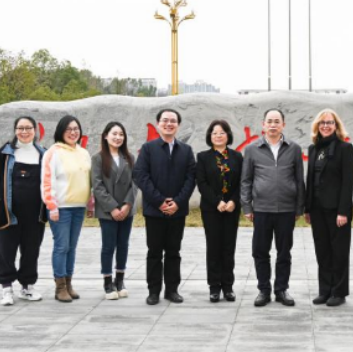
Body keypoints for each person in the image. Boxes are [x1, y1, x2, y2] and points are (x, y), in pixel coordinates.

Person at [240, 108, 305, 307]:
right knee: (260, 251)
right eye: (270, 121)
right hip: (261, 209)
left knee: (284, 252)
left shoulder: (294, 148)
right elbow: (246, 180)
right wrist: (247, 207)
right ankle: (264, 290)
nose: (273, 125)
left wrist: (299, 208)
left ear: (283, 125)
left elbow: (299, 180)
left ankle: (281, 289)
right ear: (263, 124)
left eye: (277, 121)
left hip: (286, 209)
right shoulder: (252, 149)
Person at [133, 108, 196, 305]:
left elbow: (191, 179)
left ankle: (172, 290)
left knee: (173, 252)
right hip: (154, 211)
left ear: (178, 125)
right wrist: (160, 201)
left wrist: (177, 202)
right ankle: (153, 291)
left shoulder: (186, 150)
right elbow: (141, 176)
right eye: (165, 120)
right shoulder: (148, 148)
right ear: (158, 124)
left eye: (173, 121)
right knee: (154, 253)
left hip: (177, 211)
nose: (169, 124)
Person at [0, 116, 47, 306]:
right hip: (8, 214)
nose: (24, 132)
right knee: (4, 250)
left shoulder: (43, 154)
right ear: (15, 130)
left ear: (35, 130)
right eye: (20, 128)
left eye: (28, 128)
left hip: (35, 215)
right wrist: (0, 198)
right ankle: (6, 288)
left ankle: (27, 287)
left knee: (31, 250)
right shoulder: (4, 153)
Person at [305, 109, 353, 307]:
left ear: (336, 126)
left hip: (337, 210)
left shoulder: (345, 148)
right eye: (322, 123)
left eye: (330, 122)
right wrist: (307, 208)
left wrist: (343, 211)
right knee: (322, 251)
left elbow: (347, 182)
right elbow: (310, 180)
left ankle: (339, 292)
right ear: (317, 126)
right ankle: (325, 290)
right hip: (317, 209)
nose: (326, 126)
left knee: (339, 252)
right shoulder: (313, 149)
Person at [41, 115, 93, 303]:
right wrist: (51, 205)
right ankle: (60, 287)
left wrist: (90, 202)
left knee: (71, 247)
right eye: (69, 129)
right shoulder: (53, 152)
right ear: (61, 131)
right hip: (61, 208)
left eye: (76, 129)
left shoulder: (83, 152)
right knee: (62, 246)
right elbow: (47, 181)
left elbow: (88, 179)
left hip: (78, 207)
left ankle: (69, 283)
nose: (73, 132)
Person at [196, 120, 243, 303]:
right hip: (211, 209)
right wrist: (217, 201)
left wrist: (233, 201)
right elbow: (202, 183)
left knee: (229, 247)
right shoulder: (203, 157)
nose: (218, 136)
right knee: (214, 247)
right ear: (210, 136)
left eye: (222, 132)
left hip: (231, 209)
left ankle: (228, 286)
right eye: (214, 133)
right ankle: (214, 287)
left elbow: (242, 182)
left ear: (228, 135)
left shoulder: (237, 156)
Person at [92, 121, 136, 301]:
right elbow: (97, 185)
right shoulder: (98, 158)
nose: (118, 137)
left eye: (121, 134)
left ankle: (120, 280)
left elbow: (135, 183)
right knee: (108, 246)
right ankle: (107, 281)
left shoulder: (130, 158)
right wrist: (112, 207)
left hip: (126, 210)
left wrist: (127, 205)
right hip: (107, 211)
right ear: (105, 136)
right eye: (114, 134)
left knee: (123, 244)